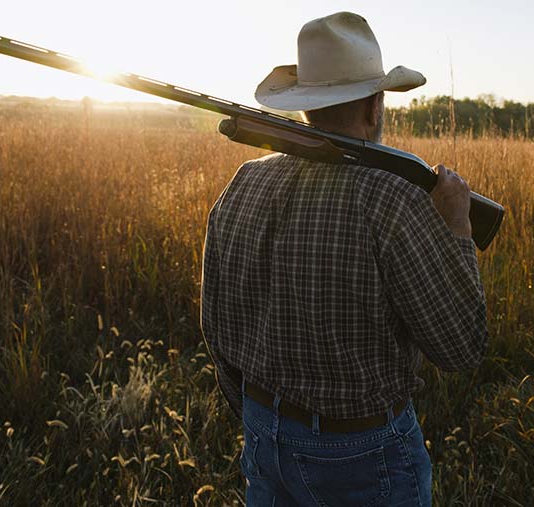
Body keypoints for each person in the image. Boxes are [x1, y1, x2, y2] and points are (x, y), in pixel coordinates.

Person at [201, 11, 487, 506]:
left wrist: (259, 413)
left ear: (306, 105)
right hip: (363, 453)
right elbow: (461, 347)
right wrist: (458, 228)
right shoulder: (394, 197)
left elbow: (216, 325)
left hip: (263, 432)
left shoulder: (244, 182)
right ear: (377, 105)